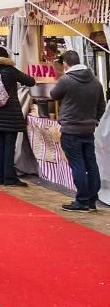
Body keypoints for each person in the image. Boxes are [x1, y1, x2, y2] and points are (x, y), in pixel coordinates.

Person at [51, 51, 106, 211]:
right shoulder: (96, 82)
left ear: (66, 64)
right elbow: (101, 106)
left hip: (70, 129)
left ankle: (82, 201)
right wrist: (94, 120)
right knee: (91, 164)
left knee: (78, 165)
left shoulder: (66, 80)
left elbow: (54, 95)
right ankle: (92, 200)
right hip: (88, 130)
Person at [0, 47, 36, 187]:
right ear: (6, 57)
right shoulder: (10, 70)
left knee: (0, 145)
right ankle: (9, 178)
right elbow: (30, 81)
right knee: (9, 146)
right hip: (10, 113)